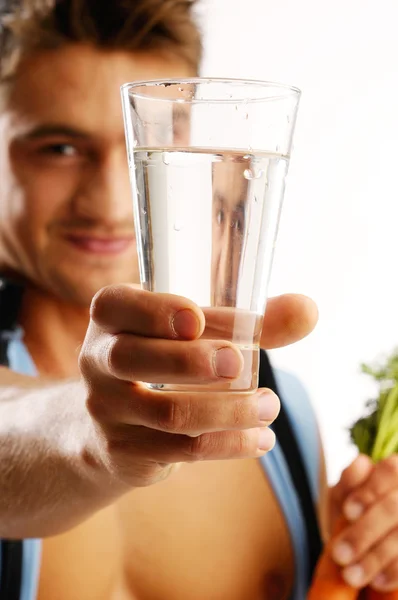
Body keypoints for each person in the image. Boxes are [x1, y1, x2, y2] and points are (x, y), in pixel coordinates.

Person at [0, 1, 398, 599]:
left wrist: (365, 568)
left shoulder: (282, 417)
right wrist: (90, 427)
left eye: (145, 143)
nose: (110, 200)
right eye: (60, 148)